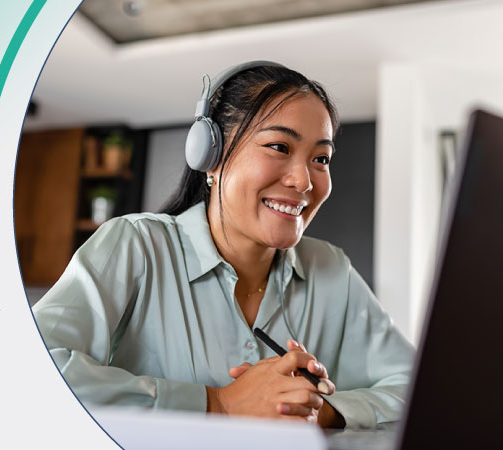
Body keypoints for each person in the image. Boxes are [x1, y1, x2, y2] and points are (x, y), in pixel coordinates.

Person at [32, 61, 415, 430]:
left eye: (321, 158)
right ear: (211, 156)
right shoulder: (136, 246)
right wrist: (218, 404)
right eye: (279, 147)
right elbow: (30, 367)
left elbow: (417, 387)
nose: (304, 181)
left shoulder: (331, 270)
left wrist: (318, 410)